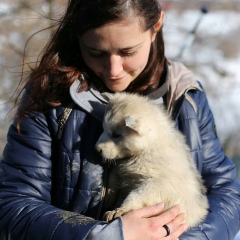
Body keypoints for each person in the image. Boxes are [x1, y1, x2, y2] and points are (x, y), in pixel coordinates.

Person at [0, 0, 239, 239]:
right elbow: (14, 205)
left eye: (128, 52)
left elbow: (227, 193)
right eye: (96, 52)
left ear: (156, 27)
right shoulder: (49, 98)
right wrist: (106, 235)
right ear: (78, 36)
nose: (114, 70)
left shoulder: (186, 95)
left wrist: (187, 237)